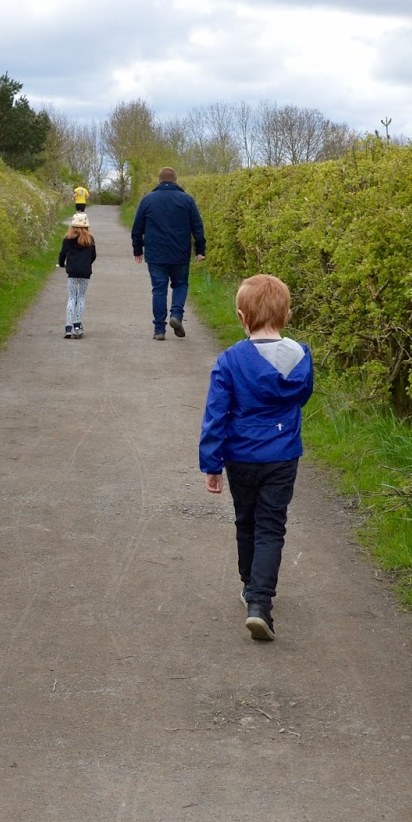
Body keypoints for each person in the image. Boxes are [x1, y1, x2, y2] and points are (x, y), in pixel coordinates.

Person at [199, 274, 314, 642]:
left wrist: (212, 464)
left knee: (245, 520)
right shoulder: (300, 356)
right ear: (287, 314)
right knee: (271, 526)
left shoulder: (231, 361)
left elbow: (216, 414)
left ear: (241, 316)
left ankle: (251, 586)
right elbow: (302, 396)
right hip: (282, 455)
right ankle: (260, 604)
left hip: (241, 457)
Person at [130, 167, 206, 341]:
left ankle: (159, 330)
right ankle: (176, 316)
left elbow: (137, 228)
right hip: (180, 253)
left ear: (159, 180)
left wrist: (137, 249)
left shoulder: (147, 200)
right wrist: (200, 250)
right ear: (176, 180)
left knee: (159, 289)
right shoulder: (187, 200)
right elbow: (197, 226)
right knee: (180, 284)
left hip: (155, 254)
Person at [58, 211, 97, 339]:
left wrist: (62, 264)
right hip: (85, 272)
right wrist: (86, 263)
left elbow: (62, 253)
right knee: (81, 297)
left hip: (72, 272)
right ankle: (77, 325)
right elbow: (93, 256)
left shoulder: (68, 239)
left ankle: (68, 327)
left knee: (71, 298)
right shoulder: (90, 239)